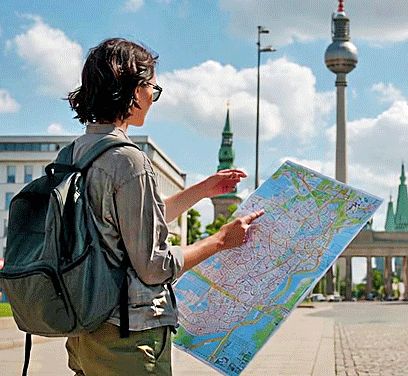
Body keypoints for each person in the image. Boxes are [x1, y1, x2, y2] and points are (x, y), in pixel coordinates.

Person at [63, 37, 264, 375]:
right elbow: (153, 266)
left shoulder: (76, 152)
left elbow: (127, 224)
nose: (153, 99)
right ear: (132, 88)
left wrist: (201, 190)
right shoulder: (129, 161)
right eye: (152, 90)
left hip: (84, 329)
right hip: (127, 335)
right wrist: (219, 241)